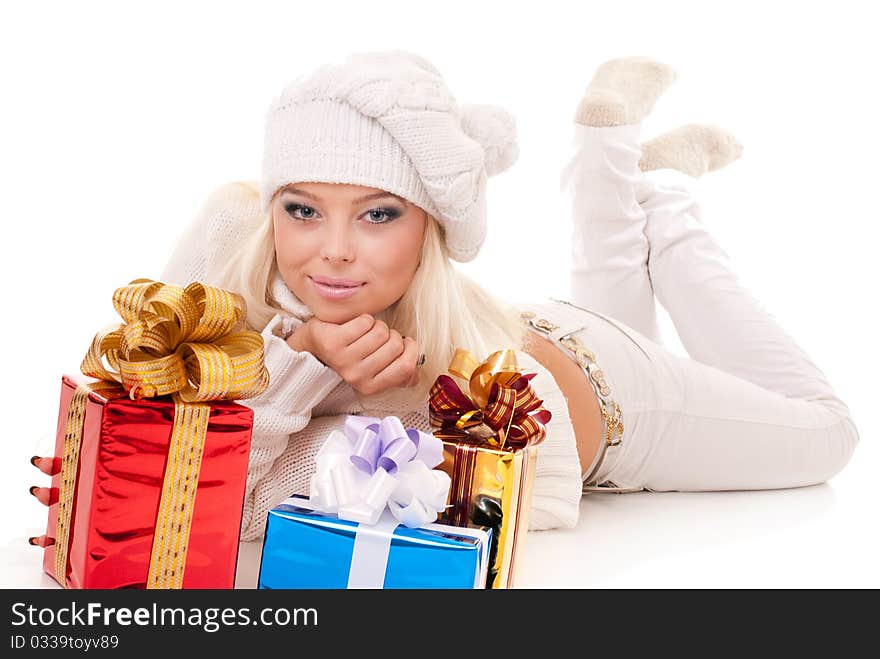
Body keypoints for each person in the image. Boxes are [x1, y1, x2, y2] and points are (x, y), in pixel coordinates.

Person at [28, 51, 859, 546]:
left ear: (431, 228)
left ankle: (667, 196)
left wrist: (333, 376)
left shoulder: (439, 369)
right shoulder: (276, 319)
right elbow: (160, 440)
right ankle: (607, 155)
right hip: (543, 330)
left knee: (827, 429)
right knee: (619, 297)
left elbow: (229, 503)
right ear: (270, 206)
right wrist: (300, 358)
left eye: (379, 213)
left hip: (624, 403)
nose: (335, 250)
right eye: (302, 208)